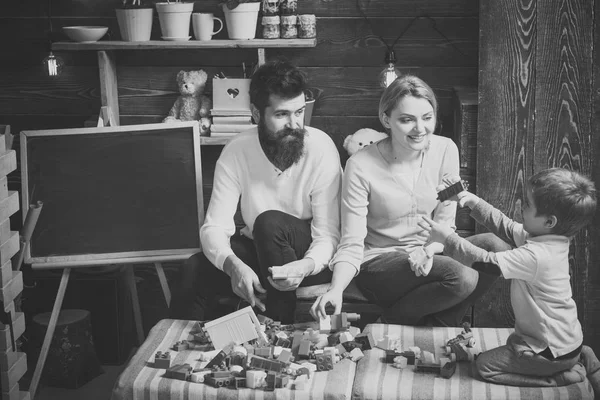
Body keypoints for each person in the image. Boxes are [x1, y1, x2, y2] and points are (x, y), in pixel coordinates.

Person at [169, 59, 342, 324]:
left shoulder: (321, 148)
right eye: (282, 115)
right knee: (194, 268)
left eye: (299, 112)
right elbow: (214, 227)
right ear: (257, 114)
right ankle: (180, 352)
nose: (295, 124)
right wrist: (233, 266)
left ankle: (276, 333)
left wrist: (305, 265)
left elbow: (329, 235)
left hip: (309, 258)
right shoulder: (237, 150)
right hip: (260, 250)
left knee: (269, 222)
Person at [311, 75, 486, 326]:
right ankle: (389, 322)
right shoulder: (360, 166)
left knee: (495, 248)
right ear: (386, 119)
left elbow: (446, 223)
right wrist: (336, 288)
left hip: (430, 255)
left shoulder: (446, 150)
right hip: (380, 264)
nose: (420, 129)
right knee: (462, 277)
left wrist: (429, 250)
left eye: (427, 117)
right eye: (407, 120)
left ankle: (440, 325)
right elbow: (351, 241)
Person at [419, 167, 598, 389]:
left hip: (549, 351)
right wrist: (470, 200)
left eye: (528, 205)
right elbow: (504, 225)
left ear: (549, 222)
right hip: (562, 342)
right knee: (512, 345)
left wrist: (447, 239)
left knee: (484, 366)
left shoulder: (537, 256)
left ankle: (561, 376)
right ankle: (574, 355)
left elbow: (486, 262)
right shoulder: (546, 238)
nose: (521, 205)